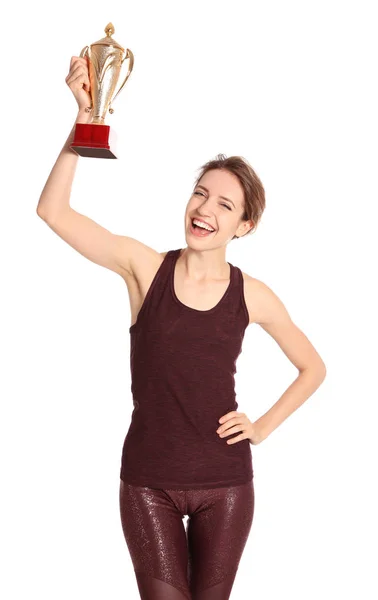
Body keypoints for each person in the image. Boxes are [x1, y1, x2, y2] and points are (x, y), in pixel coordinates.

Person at [36, 56, 327, 600]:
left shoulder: (253, 295)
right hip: (148, 482)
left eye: (224, 204)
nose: (205, 208)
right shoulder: (144, 268)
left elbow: (313, 368)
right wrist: (82, 120)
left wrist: (261, 427)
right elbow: (53, 212)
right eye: (200, 193)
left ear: (245, 225)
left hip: (226, 484)